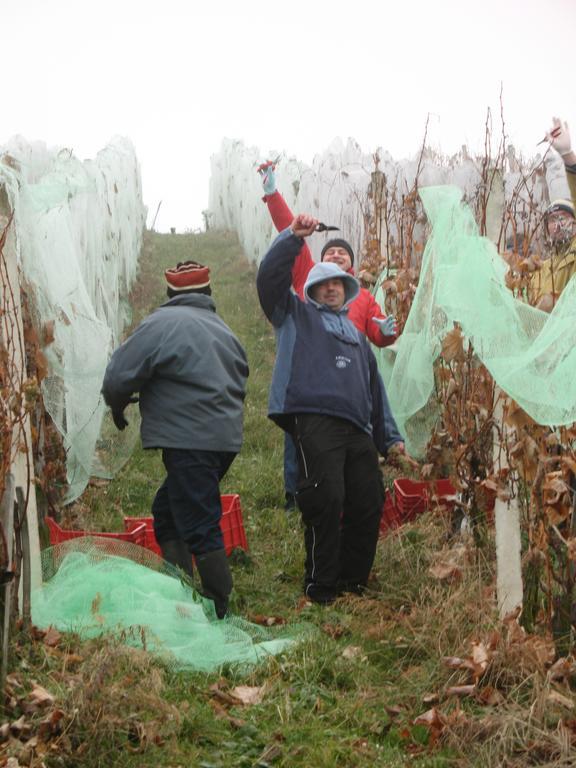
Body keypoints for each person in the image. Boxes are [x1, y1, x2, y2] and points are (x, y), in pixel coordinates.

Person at [257, 213, 405, 605]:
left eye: (338, 283)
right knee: (326, 498)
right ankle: (321, 588)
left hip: (357, 428)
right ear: (313, 290)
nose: (332, 289)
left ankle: (352, 584)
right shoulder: (295, 316)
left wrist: (389, 438)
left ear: (347, 288)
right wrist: (292, 238)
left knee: (368, 500)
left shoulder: (357, 338)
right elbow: (268, 280)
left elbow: (377, 393)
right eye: (324, 285)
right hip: (314, 418)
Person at [101, 261, 249, 619]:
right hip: (224, 441)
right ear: (209, 294)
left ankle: (218, 609)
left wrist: (117, 405)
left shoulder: (161, 324)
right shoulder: (223, 330)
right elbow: (241, 373)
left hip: (189, 441)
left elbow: (119, 375)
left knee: (198, 521)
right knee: (168, 514)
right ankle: (180, 591)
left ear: (170, 295)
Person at [259, 163, 398, 511]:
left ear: (351, 270)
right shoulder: (309, 277)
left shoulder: (363, 298)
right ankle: (296, 494)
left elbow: (376, 338)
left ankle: (343, 497)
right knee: (302, 442)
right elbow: (290, 232)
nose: (335, 256)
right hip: (312, 379)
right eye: (330, 253)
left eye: (343, 254)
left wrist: (385, 333)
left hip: (348, 384)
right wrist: (273, 194)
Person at [530, 117, 576, 310]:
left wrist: (568, 157)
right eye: (552, 219)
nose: (557, 224)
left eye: (564, 217)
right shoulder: (538, 272)